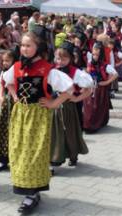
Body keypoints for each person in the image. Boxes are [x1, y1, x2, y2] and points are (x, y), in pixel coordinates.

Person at [3, 26, 73, 214]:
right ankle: (27, 189)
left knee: (34, 154)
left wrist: (54, 103)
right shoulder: (17, 66)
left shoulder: (47, 69)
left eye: (28, 45)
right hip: (20, 115)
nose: (24, 49)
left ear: (38, 46)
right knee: (20, 152)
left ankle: (32, 194)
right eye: (22, 45)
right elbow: (7, 81)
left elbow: (69, 88)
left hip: (38, 117)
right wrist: (14, 95)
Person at [50, 42, 92, 171]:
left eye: (64, 58)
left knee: (70, 132)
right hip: (53, 106)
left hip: (68, 107)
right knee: (54, 133)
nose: (60, 61)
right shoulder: (52, 70)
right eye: (58, 58)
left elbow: (89, 88)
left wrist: (76, 98)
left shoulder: (76, 72)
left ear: (71, 58)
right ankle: (55, 159)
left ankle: (73, 155)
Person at [0, 50, 19, 172]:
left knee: (17, 130)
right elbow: (2, 85)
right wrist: (0, 96)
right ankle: (2, 160)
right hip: (7, 104)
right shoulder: (4, 72)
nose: (5, 63)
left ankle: (17, 160)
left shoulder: (18, 71)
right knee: (4, 130)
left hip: (17, 104)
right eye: (3, 61)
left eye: (7, 60)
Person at [83, 42, 118, 133]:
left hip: (100, 90)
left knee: (97, 107)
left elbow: (115, 74)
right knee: (88, 107)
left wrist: (106, 82)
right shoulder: (90, 63)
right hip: (90, 88)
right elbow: (87, 72)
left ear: (101, 55)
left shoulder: (105, 65)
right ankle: (87, 124)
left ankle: (95, 124)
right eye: (93, 54)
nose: (95, 56)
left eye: (97, 55)